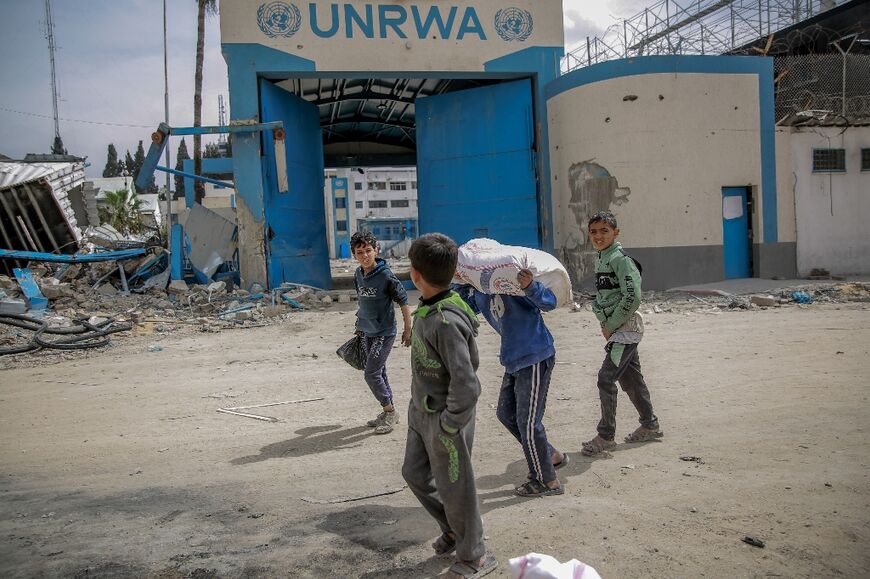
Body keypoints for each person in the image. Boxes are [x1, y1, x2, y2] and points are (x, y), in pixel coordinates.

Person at [402, 233, 498, 579]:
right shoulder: (428, 310)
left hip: (446, 419)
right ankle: (454, 530)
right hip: (421, 414)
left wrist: (450, 422)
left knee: (457, 487)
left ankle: (475, 554)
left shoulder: (446, 320)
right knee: (413, 474)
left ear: (414, 275)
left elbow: (466, 381)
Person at [456, 266, 568, 498]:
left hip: (536, 356)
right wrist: (459, 285)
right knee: (506, 414)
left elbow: (548, 303)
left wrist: (530, 286)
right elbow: (467, 308)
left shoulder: (512, 285)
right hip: (512, 359)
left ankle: (547, 481)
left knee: (528, 423)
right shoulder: (481, 290)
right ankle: (549, 455)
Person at [581, 210, 663, 457]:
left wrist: (611, 324)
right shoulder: (601, 259)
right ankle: (650, 425)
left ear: (616, 233)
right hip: (616, 330)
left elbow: (633, 296)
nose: (598, 236)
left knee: (606, 378)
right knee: (631, 380)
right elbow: (607, 296)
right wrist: (601, 317)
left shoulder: (620, 260)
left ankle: (606, 436)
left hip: (625, 331)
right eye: (594, 231)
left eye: (604, 231)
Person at [351, 230, 412, 435]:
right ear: (354, 255)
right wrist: (360, 325)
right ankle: (388, 413)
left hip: (384, 332)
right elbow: (362, 301)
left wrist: (408, 328)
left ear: (376, 250)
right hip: (368, 331)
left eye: (368, 250)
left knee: (371, 373)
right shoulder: (358, 274)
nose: (365, 255)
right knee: (380, 372)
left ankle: (390, 411)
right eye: (360, 252)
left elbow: (403, 301)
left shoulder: (386, 275)